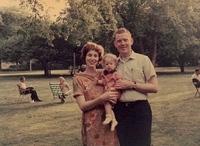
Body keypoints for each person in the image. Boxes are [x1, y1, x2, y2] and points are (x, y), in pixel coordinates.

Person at [113, 27, 158, 146]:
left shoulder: (143, 60)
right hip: (119, 110)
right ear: (115, 44)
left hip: (140, 109)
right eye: (119, 41)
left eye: (125, 40)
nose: (122, 43)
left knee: (142, 143)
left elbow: (154, 87)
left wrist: (131, 85)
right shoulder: (113, 64)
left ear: (131, 41)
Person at [73, 42, 120, 146]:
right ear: (84, 56)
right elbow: (83, 106)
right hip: (91, 123)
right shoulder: (78, 79)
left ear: (99, 59)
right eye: (89, 55)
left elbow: (116, 86)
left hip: (108, 121)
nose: (92, 58)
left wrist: (115, 96)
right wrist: (101, 99)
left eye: (96, 56)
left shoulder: (104, 74)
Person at [96, 53, 122, 131]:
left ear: (115, 65)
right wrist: (97, 81)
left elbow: (120, 82)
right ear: (104, 65)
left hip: (114, 92)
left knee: (106, 103)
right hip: (108, 92)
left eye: (111, 64)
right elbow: (104, 82)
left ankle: (108, 116)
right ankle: (114, 120)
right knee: (109, 106)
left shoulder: (116, 74)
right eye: (106, 64)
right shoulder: (105, 74)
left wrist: (115, 89)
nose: (109, 66)